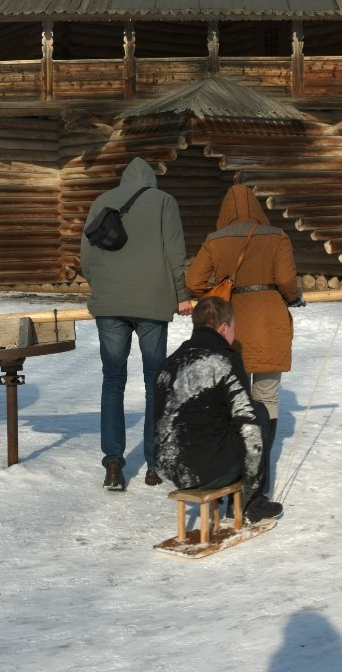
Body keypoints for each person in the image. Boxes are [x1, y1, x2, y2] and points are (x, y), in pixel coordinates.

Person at [79, 156, 193, 491]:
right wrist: (180, 293)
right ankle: (155, 464)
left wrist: (99, 285)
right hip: (152, 304)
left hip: (110, 305)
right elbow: (175, 250)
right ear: (151, 180)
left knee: (112, 381)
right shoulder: (164, 202)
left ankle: (113, 464)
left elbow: (86, 254)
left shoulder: (101, 201)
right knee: (153, 382)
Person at [186, 183, 302, 498]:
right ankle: (256, 482)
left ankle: (229, 477)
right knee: (266, 398)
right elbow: (286, 280)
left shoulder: (214, 240)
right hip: (267, 322)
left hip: (228, 325)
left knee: (231, 400)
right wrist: (294, 297)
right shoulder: (276, 236)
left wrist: (215, 294)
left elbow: (193, 281)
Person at [153, 297, 282, 523]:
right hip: (209, 471)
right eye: (233, 328)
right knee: (258, 411)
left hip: (171, 468)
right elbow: (248, 425)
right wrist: (250, 487)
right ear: (224, 328)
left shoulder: (170, 362)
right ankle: (251, 504)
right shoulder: (224, 360)